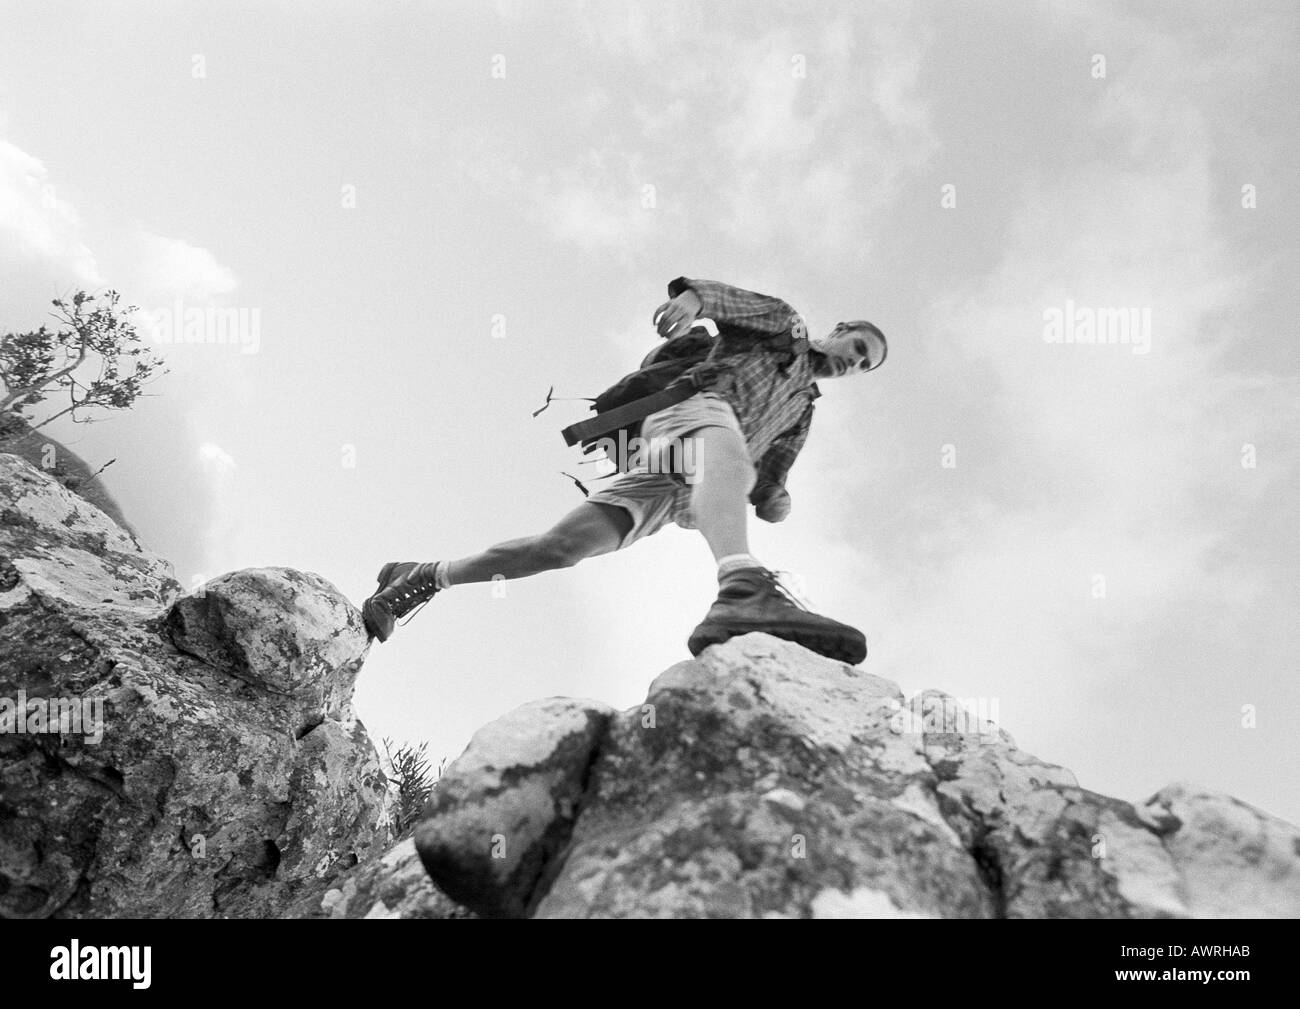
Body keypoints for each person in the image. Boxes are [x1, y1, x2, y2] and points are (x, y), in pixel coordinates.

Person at [361, 276, 886, 664]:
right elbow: (725, 301)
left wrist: (777, 500)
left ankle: (425, 576)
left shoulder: (802, 408)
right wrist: (692, 299)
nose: (854, 363)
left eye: (865, 366)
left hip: (678, 482)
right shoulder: (785, 326)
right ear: (840, 330)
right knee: (725, 451)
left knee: (559, 550)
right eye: (858, 347)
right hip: (692, 410)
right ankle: (744, 585)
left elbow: (770, 481)